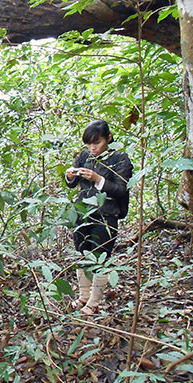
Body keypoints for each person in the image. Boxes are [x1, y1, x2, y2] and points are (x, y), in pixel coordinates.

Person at [65, 120, 133, 314]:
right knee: (83, 254)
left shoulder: (120, 159)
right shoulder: (84, 156)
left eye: (97, 143)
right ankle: (84, 296)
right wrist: (70, 175)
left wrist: (97, 179)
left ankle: (94, 303)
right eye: (89, 143)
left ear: (108, 139)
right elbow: (72, 183)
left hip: (106, 214)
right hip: (82, 212)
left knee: (100, 257)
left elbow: (121, 189)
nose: (92, 148)